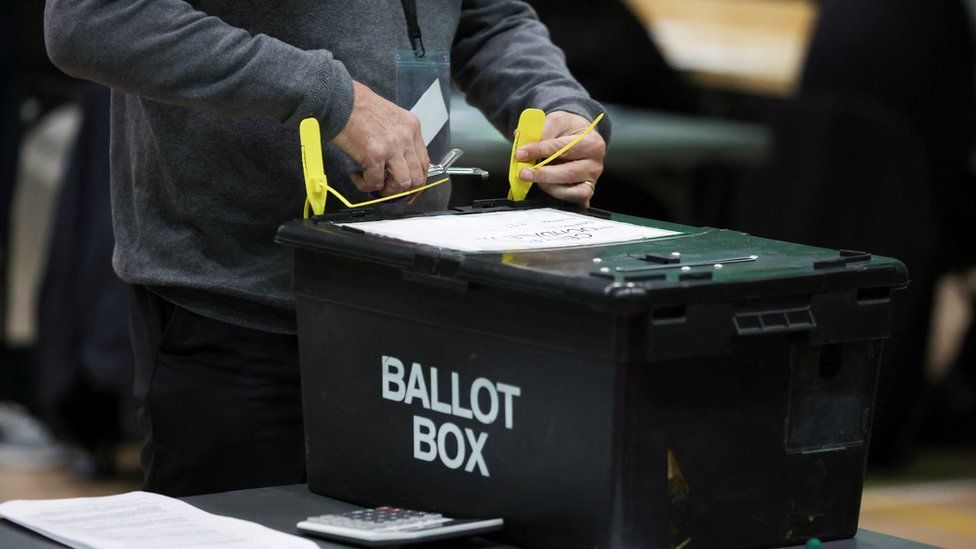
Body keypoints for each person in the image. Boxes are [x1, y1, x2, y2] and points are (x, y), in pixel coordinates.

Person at [43, 0, 609, 496]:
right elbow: (93, 20)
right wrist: (330, 96)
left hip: (414, 305)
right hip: (239, 307)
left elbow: (489, 17)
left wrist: (551, 100)